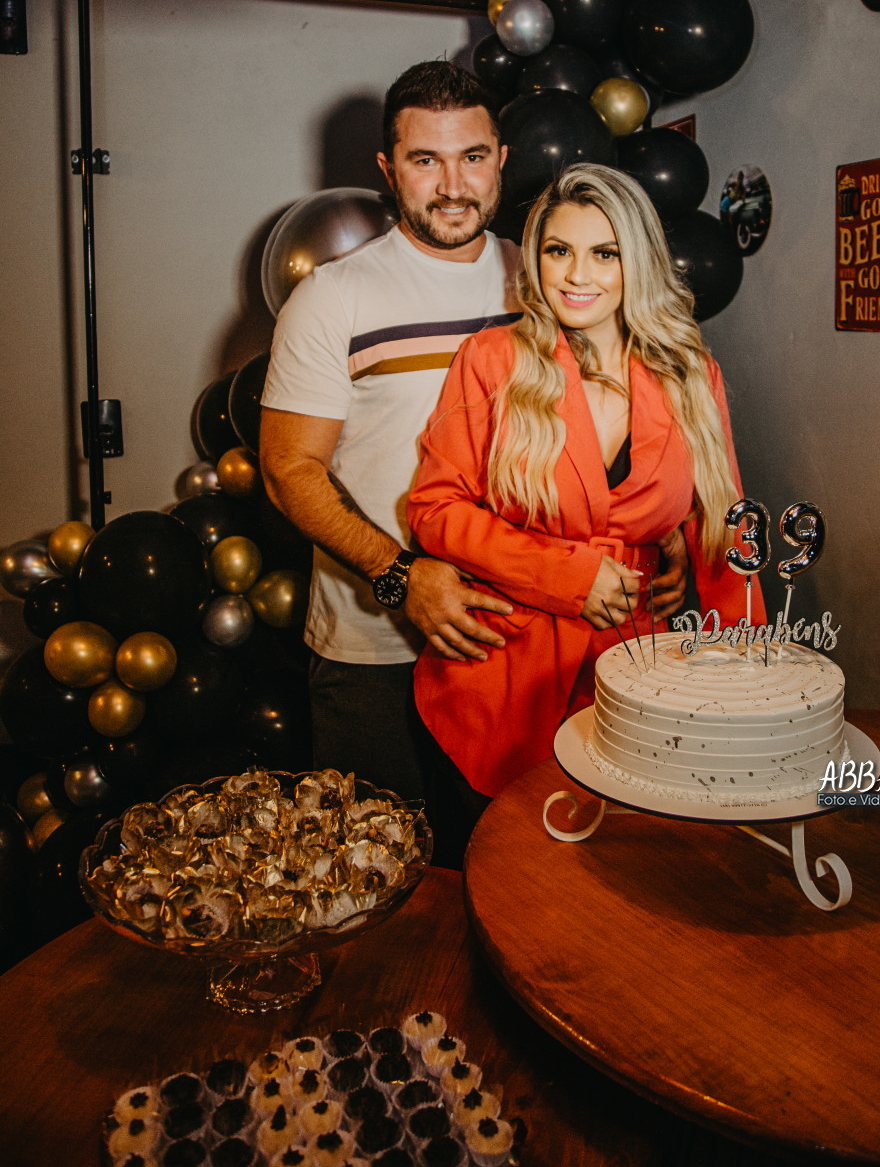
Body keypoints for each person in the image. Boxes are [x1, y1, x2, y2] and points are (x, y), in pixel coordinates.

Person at [260, 65, 687, 804]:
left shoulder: (553, 275)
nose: (453, 185)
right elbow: (289, 469)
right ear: (389, 169)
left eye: (473, 157)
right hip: (378, 646)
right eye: (426, 160)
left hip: (529, 638)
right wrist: (400, 576)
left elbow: (623, 416)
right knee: (387, 857)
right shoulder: (334, 297)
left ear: (502, 160)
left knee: (519, 854)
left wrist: (665, 529)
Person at [406, 162, 764, 832]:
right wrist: (568, 576)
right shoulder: (492, 360)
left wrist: (747, 679)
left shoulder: (691, 374)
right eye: (558, 251)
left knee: (620, 875)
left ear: (638, 262)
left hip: (637, 675)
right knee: (505, 873)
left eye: (605, 253)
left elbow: (725, 534)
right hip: (501, 674)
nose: (577, 275)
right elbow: (435, 509)